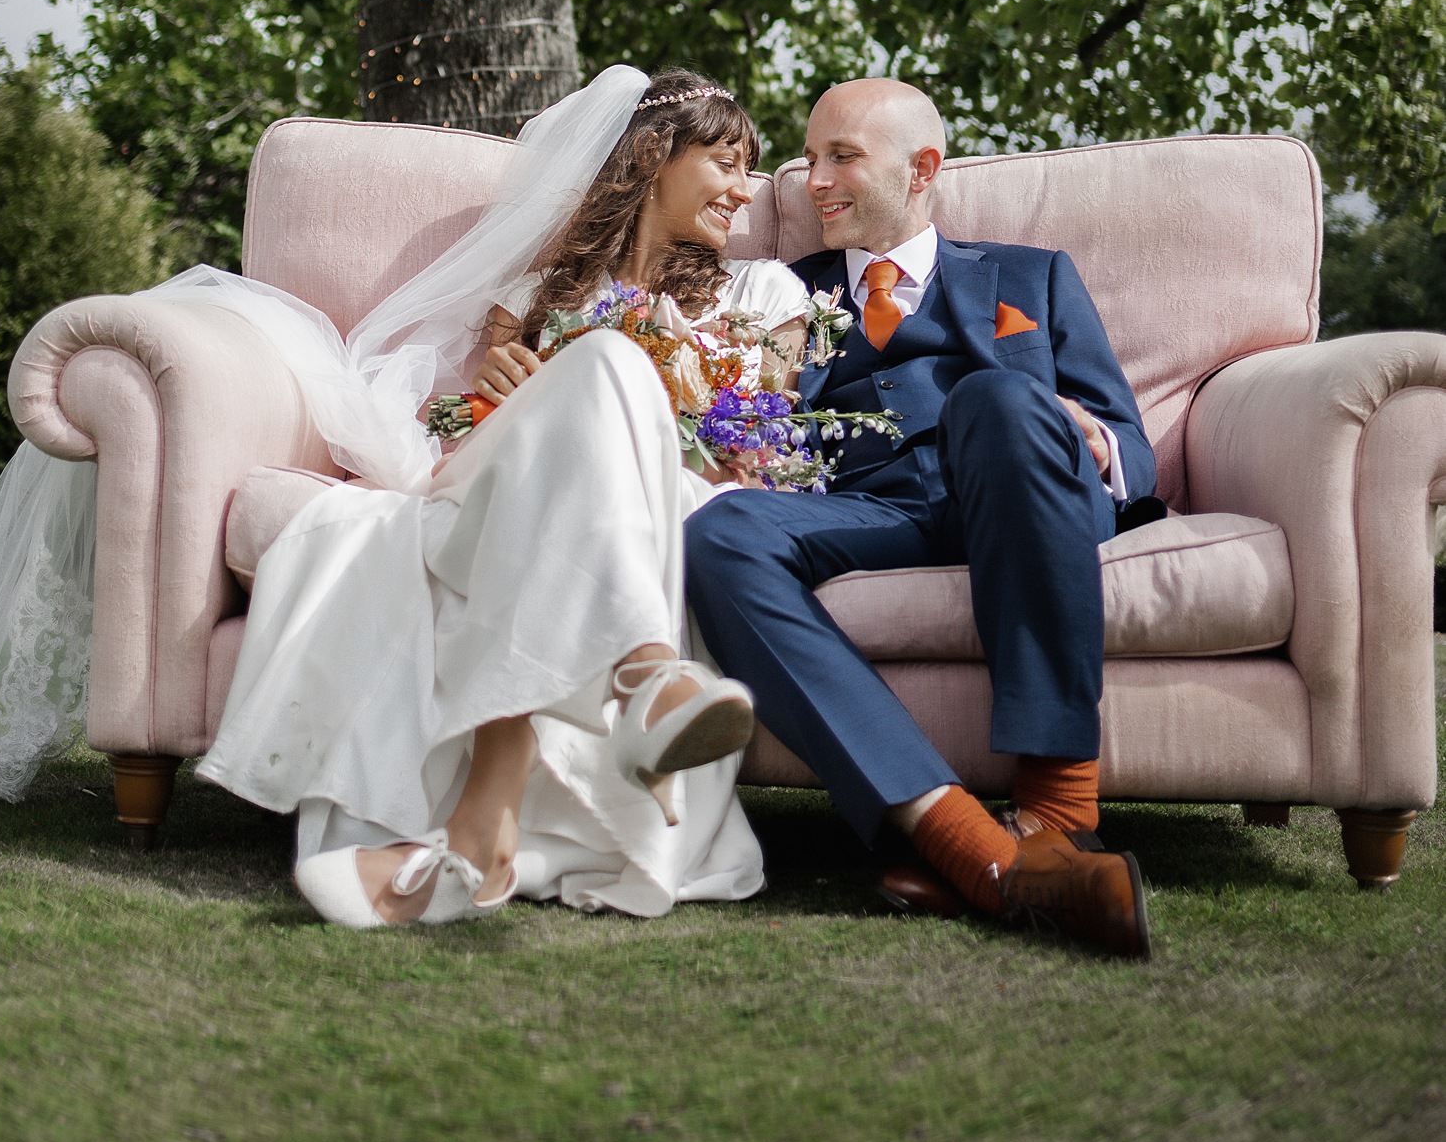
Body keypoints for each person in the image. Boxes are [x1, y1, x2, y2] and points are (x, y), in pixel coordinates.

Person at [202, 68, 811, 925]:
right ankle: (642, 679)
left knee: (610, 369)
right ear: (652, 156)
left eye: (750, 172)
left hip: (668, 499)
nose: (744, 195)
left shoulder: (764, 295)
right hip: (520, 499)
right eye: (725, 162)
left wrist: (685, 404)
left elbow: (761, 457)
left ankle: (492, 813)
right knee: (601, 368)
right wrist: (500, 393)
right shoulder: (530, 299)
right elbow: (469, 450)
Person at [683, 77, 1158, 959]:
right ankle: (975, 850)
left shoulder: (1030, 276)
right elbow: (748, 419)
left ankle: (1060, 811)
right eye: (810, 155)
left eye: (841, 158)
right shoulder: (785, 292)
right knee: (717, 535)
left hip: (1023, 500)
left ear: (921, 169)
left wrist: (1083, 435)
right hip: (868, 512)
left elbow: (1132, 444)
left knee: (1001, 401)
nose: (810, 180)